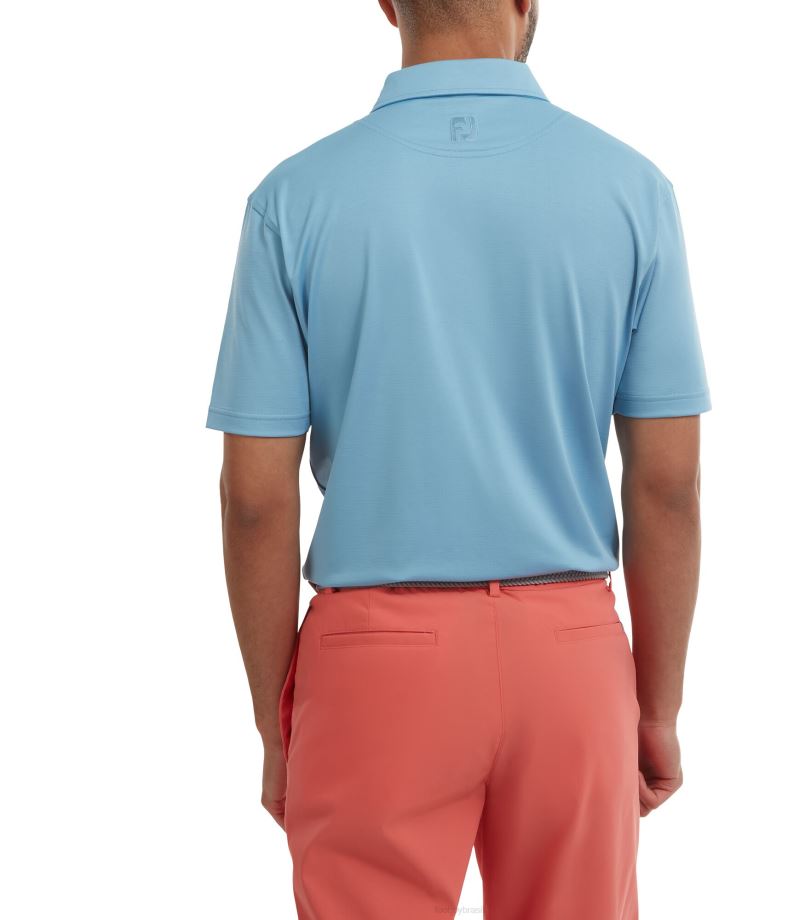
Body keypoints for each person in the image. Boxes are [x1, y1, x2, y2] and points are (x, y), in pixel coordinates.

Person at [206, 1, 710, 916]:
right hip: (571, 658)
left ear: (387, 3)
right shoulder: (632, 190)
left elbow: (254, 498)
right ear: (526, 1)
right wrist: (657, 708)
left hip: (373, 667)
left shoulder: (294, 198)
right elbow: (667, 485)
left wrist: (277, 723)